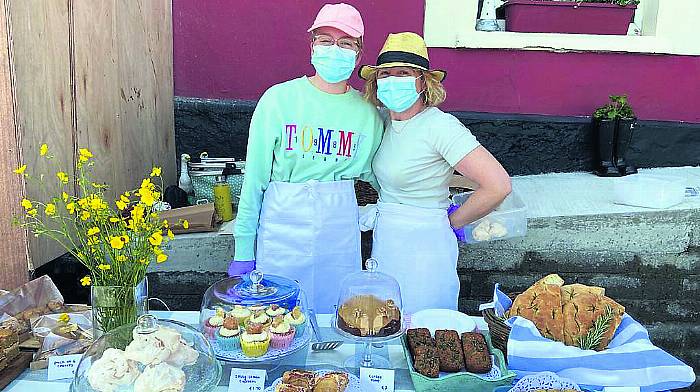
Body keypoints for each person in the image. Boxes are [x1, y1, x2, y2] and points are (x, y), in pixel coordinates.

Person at [230, 3, 383, 313]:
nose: (334, 49)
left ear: (359, 53)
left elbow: (383, 179)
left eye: (345, 43)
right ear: (312, 45)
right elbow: (255, 180)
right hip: (282, 225)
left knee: (336, 317)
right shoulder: (278, 100)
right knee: (277, 318)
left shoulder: (368, 114)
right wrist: (243, 247)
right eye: (325, 40)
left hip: (337, 232)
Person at [359, 32, 511, 314]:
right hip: (388, 239)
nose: (392, 80)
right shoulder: (385, 122)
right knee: (385, 320)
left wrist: (452, 222)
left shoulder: (440, 127)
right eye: (385, 74)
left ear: (423, 82)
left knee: (423, 326)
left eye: (403, 73)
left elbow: (498, 185)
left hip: (425, 246)